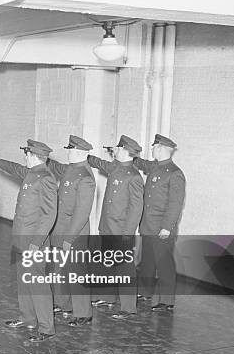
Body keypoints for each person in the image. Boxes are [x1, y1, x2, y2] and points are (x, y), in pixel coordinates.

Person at [0, 140, 58, 342]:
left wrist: (36, 244)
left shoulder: (45, 177)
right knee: (23, 281)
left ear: (33, 155)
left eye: (26, 154)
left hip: (33, 242)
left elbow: (49, 214)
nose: (24, 158)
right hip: (21, 238)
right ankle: (28, 318)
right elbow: (15, 168)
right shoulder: (31, 172)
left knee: (37, 284)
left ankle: (46, 327)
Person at [87, 135, 144, 320]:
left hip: (120, 230)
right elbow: (100, 162)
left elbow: (136, 208)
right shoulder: (115, 168)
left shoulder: (134, 176)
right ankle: (107, 296)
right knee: (107, 264)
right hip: (107, 226)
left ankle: (128, 308)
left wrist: (127, 234)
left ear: (126, 151)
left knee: (124, 269)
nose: (115, 151)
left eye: (118, 149)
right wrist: (85, 157)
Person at [47, 135, 96, 327]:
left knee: (77, 273)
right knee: (59, 271)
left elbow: (81, 213)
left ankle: (83, 313)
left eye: (70, 149)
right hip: (60, 230)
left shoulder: (85, 177)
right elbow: (55, 166)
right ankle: (63, 304)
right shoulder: (71, 169)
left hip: (74, 234)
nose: (67, 152)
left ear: (80, 152)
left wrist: (69, 238)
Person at [134, 134, 186, 311]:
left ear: (162, 149)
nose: (152, 149)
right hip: (148, 225)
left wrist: (167, 227)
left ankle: (166, 301)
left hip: (162, 227)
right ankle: (145, 291)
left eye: (154, 147)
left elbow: (175, 204)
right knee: (147, 261)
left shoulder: (174, 173)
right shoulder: (155, 166)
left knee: (164, 265)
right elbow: (141, 163)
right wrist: (128, 153)